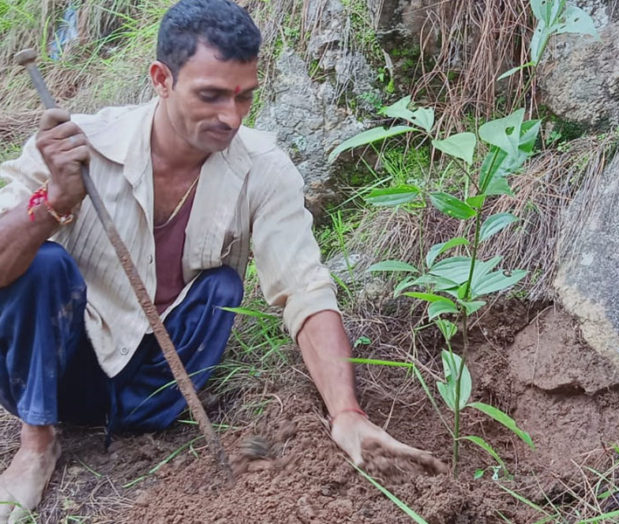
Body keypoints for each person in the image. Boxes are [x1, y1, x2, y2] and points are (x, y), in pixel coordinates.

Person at [0, 0, 442, 519]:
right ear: (161, 79)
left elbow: (305, 289)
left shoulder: (263, 169)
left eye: (244, 97)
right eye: (210, 95)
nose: (230, 117)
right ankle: (37, 445)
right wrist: (53, 203)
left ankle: (137, 422)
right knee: (45, 263)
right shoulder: (79, 146)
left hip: (154, 394)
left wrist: (346, 412)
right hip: (57, 370)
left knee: (222, 289)